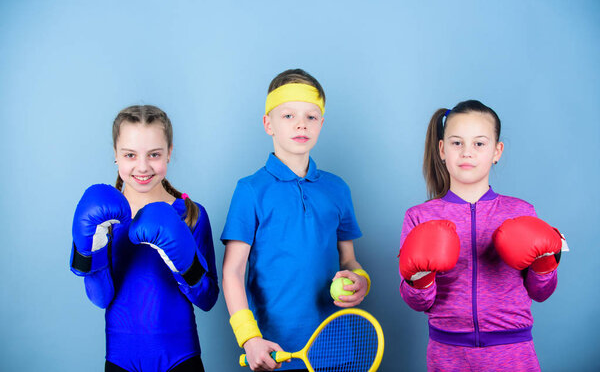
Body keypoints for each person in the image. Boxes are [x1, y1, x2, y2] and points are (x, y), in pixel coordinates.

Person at [398, 100, 564, 371]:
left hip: (513, 353)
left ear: (496, 151)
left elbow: (541, 291)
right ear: (441, 149)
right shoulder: (419, 217)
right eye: (456, 143)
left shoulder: (521, 211)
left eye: (479, 143)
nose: (467, 153)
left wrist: (546, 263)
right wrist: (420, 277)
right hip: (447, 354)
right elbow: (417, 302)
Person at [221, 69, 371, 371]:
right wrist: (249, 338)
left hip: (334, 347)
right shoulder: (250, 190)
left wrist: (362, 281)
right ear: (268, 124)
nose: (301, 123)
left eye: (311, 117)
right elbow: (232, 272)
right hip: (273, 350)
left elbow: (349, 261)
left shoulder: (337, 189)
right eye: (288, 116)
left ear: (321, 124)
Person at [70, 105, 219, 372]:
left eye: (154, 154)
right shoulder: (102, 219)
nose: (142, 166)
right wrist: (95, 243)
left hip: (181, 358)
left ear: (169, 152)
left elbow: (208, 299)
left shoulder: (190, 215)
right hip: (120, 360)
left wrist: (183, 262)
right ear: (115, 155)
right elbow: (100, 298)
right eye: (130, 154)